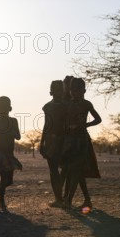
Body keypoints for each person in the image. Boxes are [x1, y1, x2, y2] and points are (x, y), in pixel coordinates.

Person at [61, 78, 101, 210]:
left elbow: (98, 119)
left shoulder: (87, 104)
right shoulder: (67, 104)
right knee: (76, 171)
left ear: (84, 90)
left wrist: (85, 124)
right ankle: (87, 200)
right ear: (70, 91)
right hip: (69, 140)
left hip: (82, 139)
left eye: (79, 90)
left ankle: (68, 200)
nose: (76, 92)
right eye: (73, 90)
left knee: (76, 169)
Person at [0, 96, 22, 210]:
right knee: (4, 179)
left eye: (4, 107)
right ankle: (1, 200)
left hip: (10, 154)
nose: (2, 109)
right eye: (0, 107)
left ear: (10, 108)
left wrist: (9, 130)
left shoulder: (13, 121)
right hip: (0, 153)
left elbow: (18, 136)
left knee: (9, 181)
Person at [40, 80, 68, 208]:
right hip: (50, 140)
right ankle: (58, 198)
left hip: (64, 140)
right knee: (53, 170)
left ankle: (61, 196)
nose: (57, 92)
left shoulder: (67, 106)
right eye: (55, 89)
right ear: (51, 91)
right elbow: (46, 125)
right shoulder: (47, 107)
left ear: (63, 91)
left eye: (60, 89)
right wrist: (42, 143)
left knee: (65, 168)